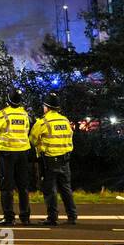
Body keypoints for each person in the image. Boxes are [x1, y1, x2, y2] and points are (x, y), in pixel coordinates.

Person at [30, 92, 78, 226]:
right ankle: (72, 216)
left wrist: (41, 147)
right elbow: (70, 137)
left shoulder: (43, 122)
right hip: (65, 159)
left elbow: (32, 139)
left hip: (50, 160)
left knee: (50, 190)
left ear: (47, 107)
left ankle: (52, 218)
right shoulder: (65, 120)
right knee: (66, 189)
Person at [0, 88, 32, 225]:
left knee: (7, 187)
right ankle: (25, 217)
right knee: (23, 186)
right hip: (23, 153)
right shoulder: (24, 115)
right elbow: (26, 130)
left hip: (7, 154)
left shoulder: (2, 115)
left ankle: (9, 218)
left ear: (7, 100)